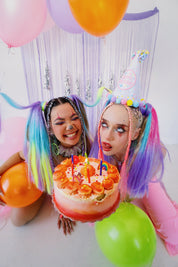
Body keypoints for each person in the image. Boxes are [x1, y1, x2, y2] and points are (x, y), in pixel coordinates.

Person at [90, 50, 178, 255]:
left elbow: (161, 152)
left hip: (143, 181)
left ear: (135, 132)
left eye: (119, 129)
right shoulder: (102, 152)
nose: (107, 136)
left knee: (172, 230)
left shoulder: (144, 156)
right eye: (104, 124)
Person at [0, 93, 92, 234]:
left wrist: (64, 209)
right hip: (44, 181)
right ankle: (42, 190)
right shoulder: (44, 151)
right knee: (18, 220)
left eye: (75, 118)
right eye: (60, 122)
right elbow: (19, 155)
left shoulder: (86, 144)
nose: (70, 126)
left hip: (68, 187)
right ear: (50, 129)